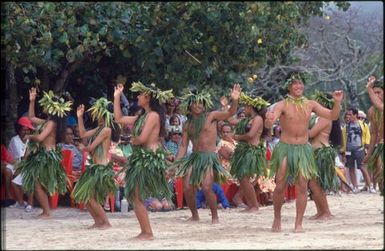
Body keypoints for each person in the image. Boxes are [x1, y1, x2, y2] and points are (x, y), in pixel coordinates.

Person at [265, 72, 343, 232]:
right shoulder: (282, 104)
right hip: (285, 148)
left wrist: (336, 102)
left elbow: (332, 115)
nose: (298, 86)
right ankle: (277, 218)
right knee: (280, 185)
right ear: (289, 86)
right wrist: (268, 120)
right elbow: (270, 123)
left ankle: (298, 223)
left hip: (303, 149)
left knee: (302, 186)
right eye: (295, 83)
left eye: (300, 83)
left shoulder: (310, 104)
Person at [114, 81, 174, 240]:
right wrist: (117, 97)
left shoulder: (153, 116)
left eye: (140, 94)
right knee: (135, 195)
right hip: (141, 158)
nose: (138, 97)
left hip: (149, 159)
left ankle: (147, 232)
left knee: (135, 195)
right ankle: (146, 231)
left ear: (147, 97)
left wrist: (127, 139)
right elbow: (119, 118)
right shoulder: (142, 115)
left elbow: (141, 139)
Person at [173, 84, 241, 224]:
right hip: (194, 158)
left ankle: (214, 216)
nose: (198, 105)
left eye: (201, 103)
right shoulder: (187, 124)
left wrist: (234, 100)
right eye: (195, 103)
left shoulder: (211, 116)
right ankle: (195, 215)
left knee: (206, 186)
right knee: (186, 187)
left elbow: (229, 113)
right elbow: (184, 145)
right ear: (190, 106)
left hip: (209, 157)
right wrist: (176, 164)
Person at [17, 88, 71, 218]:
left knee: (37, 184)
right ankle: (46, 211)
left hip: (47, 157)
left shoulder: (51, 123)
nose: (44, 107)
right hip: (44, 156)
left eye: (46, 105)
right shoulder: (47, 122)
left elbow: (40, 138)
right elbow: (31, 117)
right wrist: (32, 101)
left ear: (52, 108)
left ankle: (47, 212)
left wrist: (30, 137)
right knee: (39, 184)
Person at [72, 98, 119, 229]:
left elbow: (91, 147)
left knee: (91, 197)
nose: (95, 114)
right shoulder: (99, 128)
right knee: (85, 196)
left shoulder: (106, 130)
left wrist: (83, 148)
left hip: (101, 169)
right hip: (94, 168)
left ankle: (106, 223)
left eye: (97, 112)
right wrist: (80, 117)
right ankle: (98, 222)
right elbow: (82, 134)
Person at [230, 92, 270, 212]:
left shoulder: (257, 119)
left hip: (252, 152)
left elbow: (251, 135)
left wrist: (236, 137)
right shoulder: (247, 119)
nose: (244, 109)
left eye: (246, 106)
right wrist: (233, 101)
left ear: (250, 106)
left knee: (245, 178)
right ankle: (252, 205)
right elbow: (230, 120)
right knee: (243, 178)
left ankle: (254, 205)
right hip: (245, 151)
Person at [307, 91, 342, 220]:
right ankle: (320, 211)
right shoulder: (315, 117)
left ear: (323, 103)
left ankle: (326, 211)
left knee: (316, 184)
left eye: (318, 101)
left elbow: (311, 134)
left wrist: (295, 129)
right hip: (314, 152)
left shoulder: (326, 117)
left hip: (321, 153)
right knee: (312, 184)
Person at [341, 108, 374, 193]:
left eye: (350, 114)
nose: (348, 116)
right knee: (351, 168)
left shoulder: (363, 125)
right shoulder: (346, 127)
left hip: (360, 149)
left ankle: (369, 186)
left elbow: (367, 135)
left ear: (355, 115)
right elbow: (344, 140)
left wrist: (367, 145)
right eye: (347, 114)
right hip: (349, 150)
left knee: (362, 167)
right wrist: (344, 152)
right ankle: (355, 187)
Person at [8, 117, 35, 211]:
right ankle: (21, 203)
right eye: (23, 130)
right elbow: (21, 158)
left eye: (28, 130)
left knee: (28, 176)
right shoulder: (14, 140)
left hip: (27, 166)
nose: (26, 132)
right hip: (16, 165)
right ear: (19, 130)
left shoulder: (30, 140)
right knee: (16, 180)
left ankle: (30, 204)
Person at [364, 76, 383, 195]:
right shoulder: (371, 111)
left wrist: (369, 88)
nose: (376, 95)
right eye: (374, 92)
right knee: (379, 174)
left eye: (379, 92)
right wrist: (369, 154)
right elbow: (374, 134)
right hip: (380, 146)